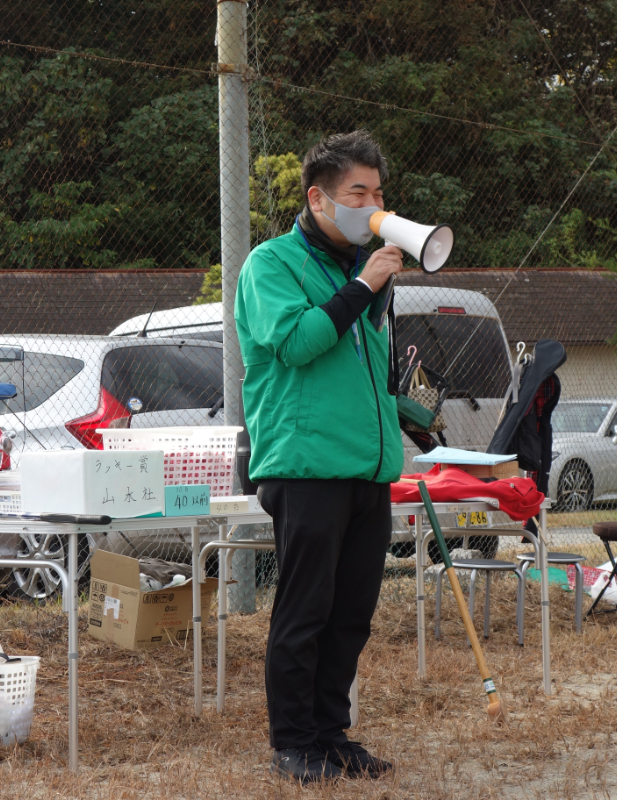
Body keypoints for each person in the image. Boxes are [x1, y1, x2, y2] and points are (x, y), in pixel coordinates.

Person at [235, 130, 405, 783]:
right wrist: (364, 285)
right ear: (319, 198)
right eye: (357, 193)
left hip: (366, 466)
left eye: (378, 192)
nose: (372, 205)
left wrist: (367, 283)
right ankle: (294, 743)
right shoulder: (271, 264)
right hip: (304, 465)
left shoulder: (356, 269)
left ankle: (332, 736)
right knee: (305, 610)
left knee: (351, 613)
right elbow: (301, 342)